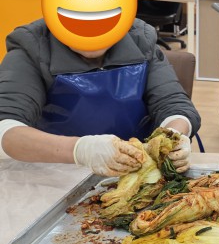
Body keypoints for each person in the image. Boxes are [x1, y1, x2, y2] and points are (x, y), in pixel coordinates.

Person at [0, 13, 201, 177]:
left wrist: (173, 136)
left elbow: (173, 103)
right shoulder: (31, 45)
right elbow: (7, 128)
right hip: (55, 174)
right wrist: (81, 150)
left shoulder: (140, 38)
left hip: (136, 172)